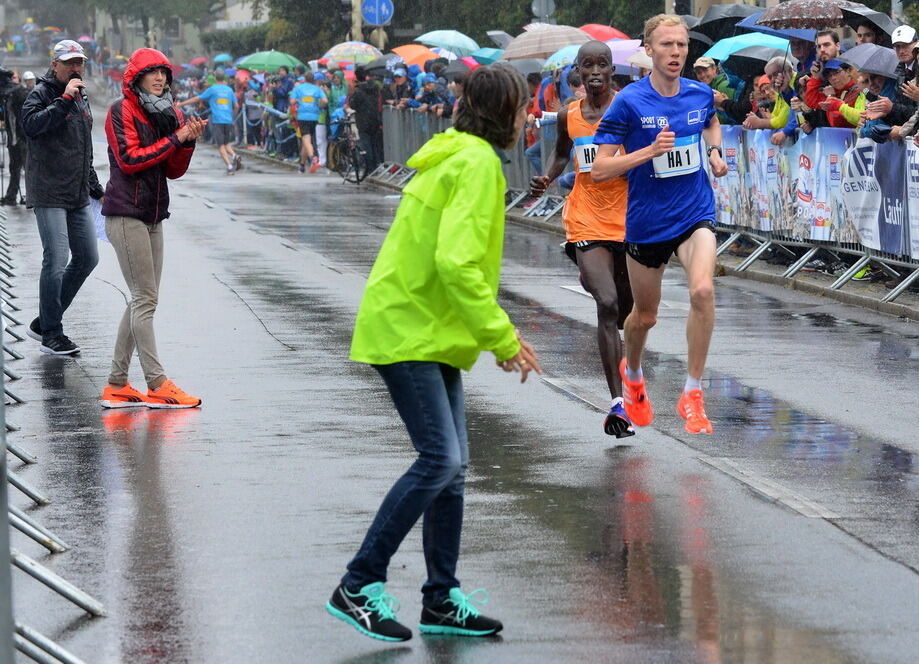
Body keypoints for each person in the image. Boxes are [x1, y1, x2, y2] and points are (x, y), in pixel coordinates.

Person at [326, 64, 541, 642]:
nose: (529, 118)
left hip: (426, 328)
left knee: (453, 468)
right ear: (505, 114)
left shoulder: (455, 152)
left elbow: (450, 265)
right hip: (410, 329)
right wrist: (501, 337)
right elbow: (456, 262)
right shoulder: (478, 165)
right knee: (440, 460)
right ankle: (358, 582)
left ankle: (441, 599)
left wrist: (489, 335)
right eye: (523, 108)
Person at [590, 14, 728, 435]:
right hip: (648, 222)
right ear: (648, 50)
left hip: (694, 212)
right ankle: (632, 374)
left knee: (703, 289)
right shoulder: (629, 101)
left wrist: (718, 154)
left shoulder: (700, 93)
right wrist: (647, 152)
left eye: (682, 45)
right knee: (643, 318)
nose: (676, 53)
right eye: (667, 45)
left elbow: (710, 122)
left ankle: (692, 392)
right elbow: (599, 169)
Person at [530, 41, 635, 438]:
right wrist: (549, 176)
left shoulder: (629, 107)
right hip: (586, 215)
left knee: (627, 308)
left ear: (611, 71)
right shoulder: (568, 114)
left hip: (628, 217)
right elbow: (562, 153)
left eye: (602, 64)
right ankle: (617, 404)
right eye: (587, 65)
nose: (594, 71)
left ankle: (598, 280)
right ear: (578, 71)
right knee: (606, 304)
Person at [100, 48, 205, 409]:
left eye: (164, 73)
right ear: (136, 78)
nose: (160, 78)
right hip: (125, 213)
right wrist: (176, 139)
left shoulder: (170, 112)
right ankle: (157, 383)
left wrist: (187, 142)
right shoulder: (120, 110)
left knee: (142, 300)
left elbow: (172, 170)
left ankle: (116, 383)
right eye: (152, 73)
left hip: (154, 214)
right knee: (145, 299)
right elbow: (130, 160)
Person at [21, 39, 104, 355]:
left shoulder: (81, 97)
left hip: (76, 192)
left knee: (87, 258)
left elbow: (84, 147)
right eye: (69, 62)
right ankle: (52, 333)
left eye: (79, 62)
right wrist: (64, 100)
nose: (75, 67)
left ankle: (45, 321)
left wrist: (95, 187)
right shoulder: (40, 94)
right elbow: (31, 125)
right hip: (48, 191)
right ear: (54, 64)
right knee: (56, 259)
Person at [178, 70, 240, 174]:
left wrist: (181, 104)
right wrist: (233, 117)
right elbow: (237, 106)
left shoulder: (212, 89)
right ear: (224, 78)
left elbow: (197, 99)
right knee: (226, 143)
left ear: (215, 78)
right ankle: (235, 156)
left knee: (220, 145)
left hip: (218, 120)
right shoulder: (229, 90)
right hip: (228, 120)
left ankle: (229, 166)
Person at [289, 70, 327, 173]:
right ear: (313, 79)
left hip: (303, 116)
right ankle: (302, 165)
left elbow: (292, 101)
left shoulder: (299, 88)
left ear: (305, 79)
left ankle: (313, 157)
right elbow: (325, 101)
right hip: (314, 116)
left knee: (306, 139)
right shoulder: (317, 89)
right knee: (307, 141)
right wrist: (318, 106)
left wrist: (299, 100)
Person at [1, 68, 29, 205]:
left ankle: (32, 197)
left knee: (28, 168)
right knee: (14, 169)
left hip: (23, 139)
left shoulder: (21, 92)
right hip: (13, 140)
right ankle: (11, 196)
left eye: (14, 78)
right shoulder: (7, 97)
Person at [349, 66, 384, 172]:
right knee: (374, 144)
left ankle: (370, 167)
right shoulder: (375, 88)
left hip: (363, 120)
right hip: (375, 119)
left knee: (366, 144)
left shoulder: (359, 90)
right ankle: (376, 164)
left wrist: (352, 94)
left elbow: (353, 105)